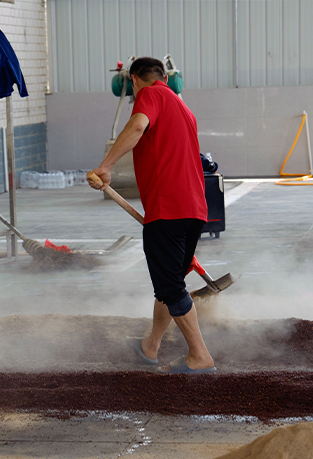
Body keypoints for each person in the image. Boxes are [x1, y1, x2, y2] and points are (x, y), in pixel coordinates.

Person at [88, 57, 215, 374]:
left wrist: (106, 167)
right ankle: (151, 346)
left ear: (133, 80)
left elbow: (137, 125)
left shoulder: (150, 95)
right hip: (194, 209)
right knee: (170, 281)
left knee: (170, 286)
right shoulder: (183, 108)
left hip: (167, 208)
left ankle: (200, 356)